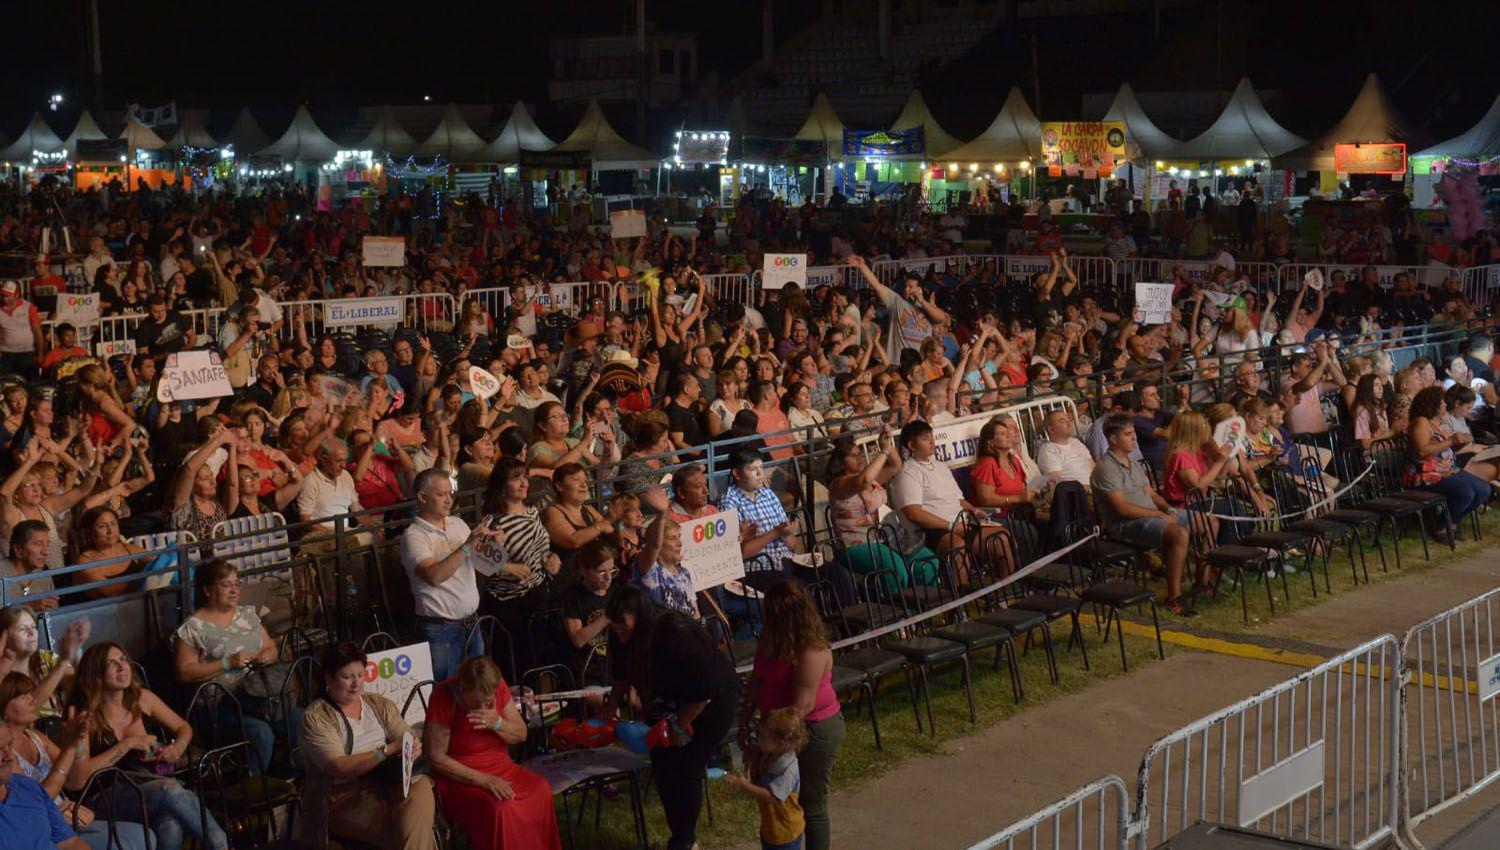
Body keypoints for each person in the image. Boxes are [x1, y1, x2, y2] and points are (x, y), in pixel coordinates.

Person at [599, 589, 742, 850]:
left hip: (710, 700)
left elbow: (703, 692)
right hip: (668, 700)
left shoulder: (677, 634)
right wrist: (609, 708)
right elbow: (621, 675)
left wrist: (677, 726)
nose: (617, 628)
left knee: (687, 766)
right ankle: (681, 835)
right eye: (614, 623)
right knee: (664, 764)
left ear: (640, 617)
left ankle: (683, 842)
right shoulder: (620, 635)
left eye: (622, 622)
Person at [66, 643, 229, 850]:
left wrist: (177, 748)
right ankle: (223, 847)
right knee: (170, 790)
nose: (121, 666)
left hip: (150, 778)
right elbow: (79, 780)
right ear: (95, 674)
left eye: (123, 659)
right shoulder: (85, 717)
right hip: (104, 797)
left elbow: (183, 727)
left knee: (170, 825)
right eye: (111, 663)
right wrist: (128, 744)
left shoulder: (142, 699)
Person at [298, 642, 437, 850]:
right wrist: (386, 751)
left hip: (392, 783)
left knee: (421, 789)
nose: (356, 684)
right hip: (346, 795)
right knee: (410, 829)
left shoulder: (377, 704)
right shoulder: (316, 717)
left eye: (360, 675)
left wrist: (412, 746)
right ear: (329, 678)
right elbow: (339, 767)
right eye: (347, 677)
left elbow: (406, 736)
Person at [738, 580, 843, 850]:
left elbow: (801, 708)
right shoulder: (771, 637)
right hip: (775, 731)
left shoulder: (812, 650)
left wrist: (769, 746)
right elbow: (758, 678)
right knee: (779, 805)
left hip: (811, 730)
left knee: (811, 802)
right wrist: (745, 718)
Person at [423, 656, 563, 850]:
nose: (481, 708)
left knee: (541, 789)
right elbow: (436, 758)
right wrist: (484, 780)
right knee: (501, 807)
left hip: (501, 766)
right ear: (462, 688)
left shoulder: (496, 686)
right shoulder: (444, 695)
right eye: (475, 701)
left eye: (487, 702)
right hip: (460, 777)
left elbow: (521, 733)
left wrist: (497, 723)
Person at [2, 673, 154, 850]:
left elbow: (75, 781)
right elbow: (35, 799)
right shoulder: (6, 756)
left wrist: (79, 741)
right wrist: (70, 748)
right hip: (45, 823)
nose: (32, 700)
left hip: (70, 814)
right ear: (4, 709)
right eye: (22, 697)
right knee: (136, 840)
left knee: (150, 834)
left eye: (31, 694)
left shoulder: (36, 737)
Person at [171, 560, 280, 773]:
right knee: (260, 733)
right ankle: (253, 793)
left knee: (295, 719)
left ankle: (289, 781)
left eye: (236, 584)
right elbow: (183, 672)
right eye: (226, 585)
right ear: (208, 590)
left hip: (256, 695)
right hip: (217, 706)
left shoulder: (247, 615)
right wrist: (226, 662)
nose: (234, 590)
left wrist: (265, 657)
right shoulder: (192, 628)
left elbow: (271, 648)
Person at [401, 467, 502, 680]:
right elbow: (435, 576)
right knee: (446, 689)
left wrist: (496, 545)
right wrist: (467, 545)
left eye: (450, 494)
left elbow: (484, 564)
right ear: (422, 497)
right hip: (440, 630)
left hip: (471, 622)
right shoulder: (414, 536)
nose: (448, 500)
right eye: (441, 494)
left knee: (479, 685)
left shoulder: (457, 523)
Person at [1090, 414, 1194, 614]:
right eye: (1128, 434)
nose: (1134, 438)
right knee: (1179, 534)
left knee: (1206, 521)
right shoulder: (1105, 468)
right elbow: (1122, 509)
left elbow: (1153, 495)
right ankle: (1174, 598)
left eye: (1134, 433)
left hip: (1151, 515)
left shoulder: (1134, 463)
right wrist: (1158, 515)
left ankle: (1203, 582)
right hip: (1125, 525)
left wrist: (1168, 509)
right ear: (1113, 439)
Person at [0, 721, 99, 850]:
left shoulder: (27, 786)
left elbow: (70, 842)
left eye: (9, 745)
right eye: (0, 749)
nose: (10, 756)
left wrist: (75, 744)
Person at [1406, 386, 1490, 535]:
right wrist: (1451, 441)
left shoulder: (1436, 422)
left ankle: (1451, 522)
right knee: (1466, 492)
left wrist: (1462, 443)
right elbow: (1422, 451)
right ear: (1432, 404)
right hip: (1426, 476)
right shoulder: (1421, 423)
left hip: (1446, 471)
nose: (1445, 404)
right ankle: (1442, 526)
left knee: (1484, 489)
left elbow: (1445, 451)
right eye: (1443, 402)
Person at [725, 706, 808, 850]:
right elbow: (761, 782)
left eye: (763, 736)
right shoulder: (769, 755)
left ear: (780, 743)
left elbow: (773, 797)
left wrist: (745, 786)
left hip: (786, 833)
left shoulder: (788, 768)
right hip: (770, 830)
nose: (758, 739)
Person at [1035, 408, 1094, 487]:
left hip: (1096, 488)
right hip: (1078, 494)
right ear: (1051, 429)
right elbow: (1057, 484)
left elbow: (1093, 466)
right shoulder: (1049, 450)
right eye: (1062, 421)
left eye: (1068, 419)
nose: (1069, 423)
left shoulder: (1076, 442)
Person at [0, 280, 45, 378]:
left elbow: (37, 332)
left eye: (8, 295)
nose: (5, 298)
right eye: (3, 295)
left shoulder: (28, 307)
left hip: (27, 354)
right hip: (5, 355)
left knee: (29, 385)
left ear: (17, 295)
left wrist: (40, 354)